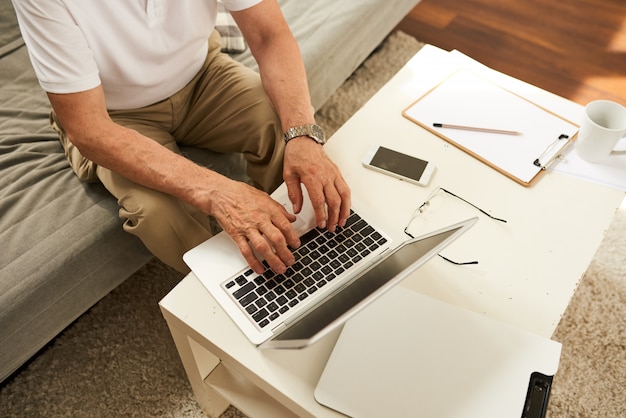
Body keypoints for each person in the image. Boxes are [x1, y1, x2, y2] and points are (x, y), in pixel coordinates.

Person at [11, 0, 351, 274]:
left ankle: (321, 253)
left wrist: (303, 134)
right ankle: (241, 286)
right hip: (112, 116)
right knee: (156, 212)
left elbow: (269, 35)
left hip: (203, 75)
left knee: (289, 135)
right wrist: (220, 193)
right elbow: (89, 129)